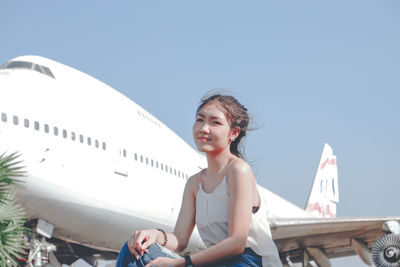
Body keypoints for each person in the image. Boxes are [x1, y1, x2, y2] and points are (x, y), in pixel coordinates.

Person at [116, 94, 282, 267]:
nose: (204, 128)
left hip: (250, 262)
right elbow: (180, 239)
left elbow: (237, 243)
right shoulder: (194, 184)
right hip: (216, 262)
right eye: (200, 120)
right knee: (134, 249)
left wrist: (180, 263)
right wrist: (153, 235)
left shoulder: (238, 170)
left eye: (215, 122)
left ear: (234, 132)